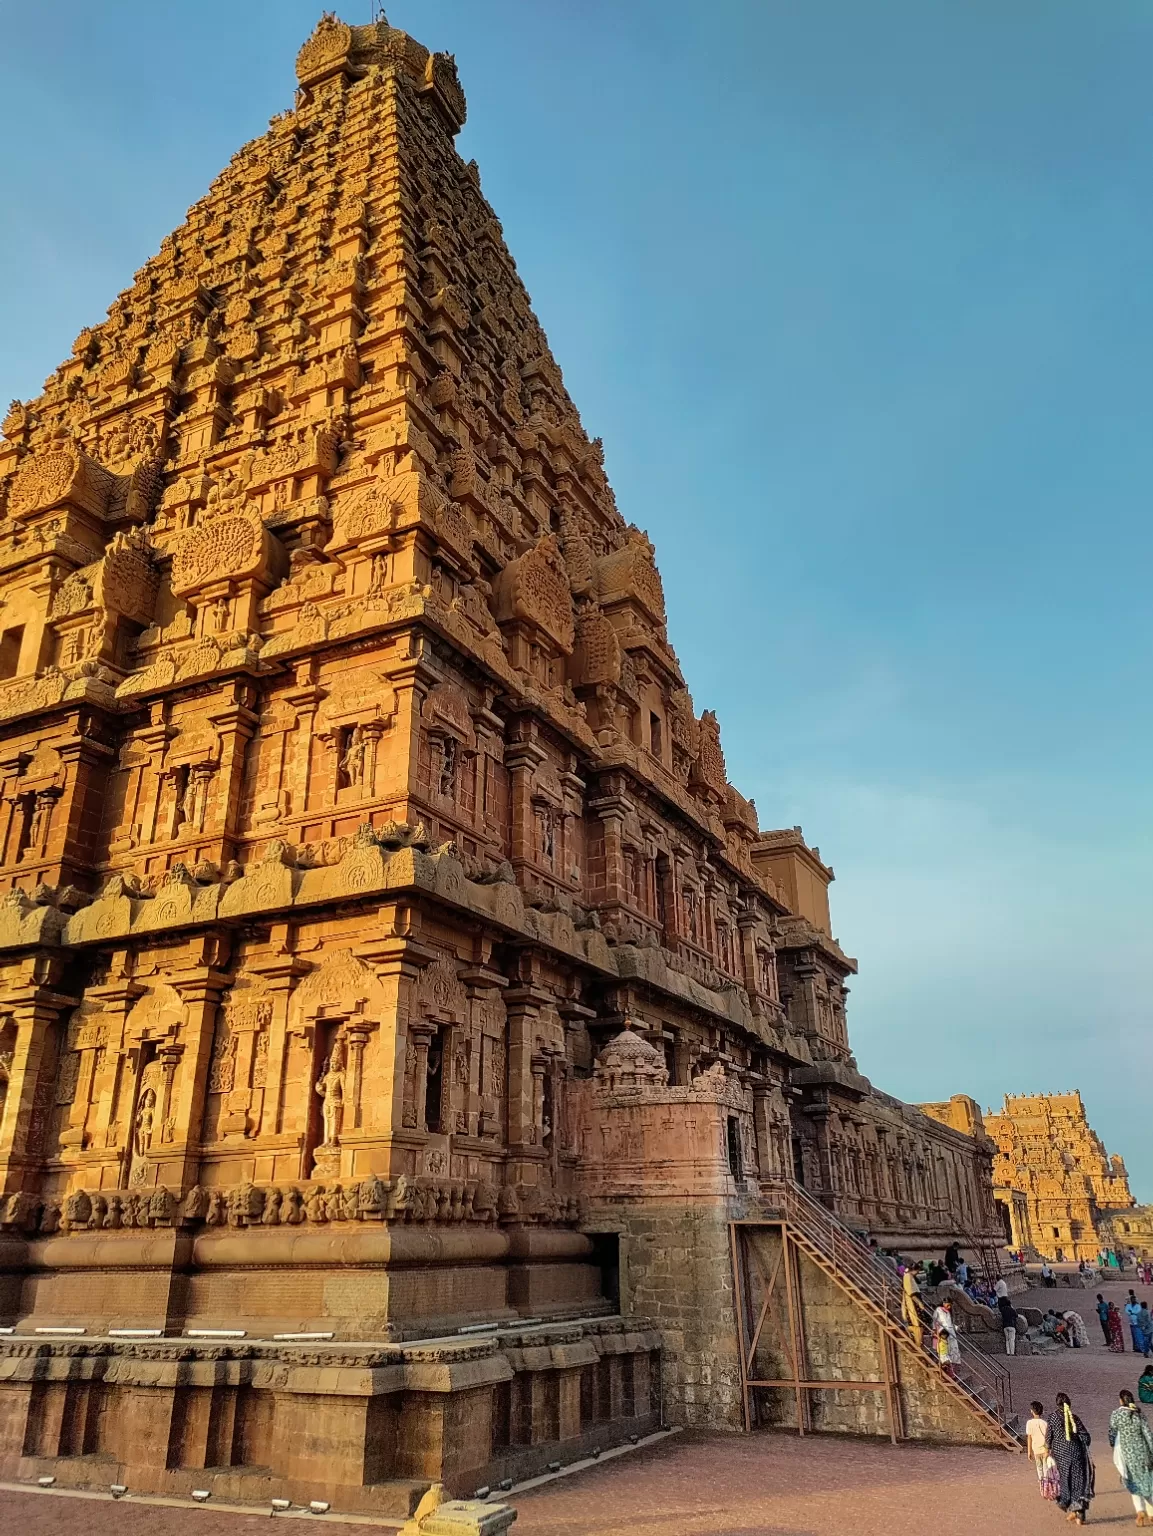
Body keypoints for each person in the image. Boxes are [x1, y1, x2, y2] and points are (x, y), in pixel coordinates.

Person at [1046, 1392, 1094, 1525]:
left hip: (1061, 1456)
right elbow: (1086, 1437)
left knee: (1066, 1482)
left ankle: (1071, 1509)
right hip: (1077, 1454)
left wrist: (1046, 1450)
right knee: (1079, 1483)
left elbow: (1048, 1438)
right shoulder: (1075, 1418)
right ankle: (1079, 1514)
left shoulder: (1052, 1418)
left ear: (1057, 1404)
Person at [1109, 1389, 1153, 1526]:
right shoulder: (1138, 1414)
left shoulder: (1116, 1415)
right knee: (1146, 1482)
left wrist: (1113, 1446)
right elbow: (1148, 1435)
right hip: (1143, 1453)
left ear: (1121, 1400)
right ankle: (1151, 1512)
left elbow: (1112, 1433)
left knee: (1133, 1483)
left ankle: (1140, 1511)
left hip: (1127, 1455)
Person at [1025, 1399, 1050, 1491]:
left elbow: (1029, 1438)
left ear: (1032, 1411)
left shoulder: (1029, 1423)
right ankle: (1047, 1486)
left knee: (1039, 1468)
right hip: (1044, 1449)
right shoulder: (1045, 1424)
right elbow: (1048, 1438)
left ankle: (1041, 1485)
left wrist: (1029, 1452)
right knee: (1045, 1468)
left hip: (1036, 1450)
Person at [933, 1298, 960, 1376]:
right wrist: (935, 1330)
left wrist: (956, 1327)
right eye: (948, 1305)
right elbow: (935, 1321)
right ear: (944, 1303)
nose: (949, 1307)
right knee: (944, 1350)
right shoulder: (938, 1310)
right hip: (943, 1331)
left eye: (950, 1306)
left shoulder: (948, 1312)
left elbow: (950, 1323)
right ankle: (946, 1368)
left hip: (950, 1332)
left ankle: (953, 1369)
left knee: (953, 1350)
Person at [901, 1264, 924, 1350]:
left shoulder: (910, 1277)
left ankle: (919, 1346)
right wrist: (919, 1303)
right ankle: (918, 1347)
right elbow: (911, 1293)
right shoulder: (907, 1276)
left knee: (920, 1327)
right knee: (917, 1326)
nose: (917, 1273)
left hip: (915, 1304)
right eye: (917, 1271)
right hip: (912, 1305)